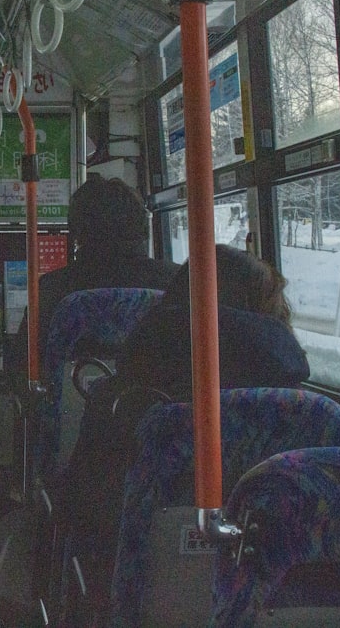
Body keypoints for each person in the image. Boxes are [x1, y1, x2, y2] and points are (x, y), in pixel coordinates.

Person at [58, 244, 310, 623]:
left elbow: (81, 504)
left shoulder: (124, 398)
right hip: (275, 602)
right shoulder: (307, 413)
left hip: (140, 593)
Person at [7, 175, 177, 395]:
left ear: (78, 232)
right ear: (141, 227)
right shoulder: (176, 282)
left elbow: (22, 368)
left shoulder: (55, 287)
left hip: (67, 419)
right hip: (158, 414)